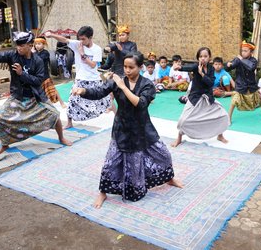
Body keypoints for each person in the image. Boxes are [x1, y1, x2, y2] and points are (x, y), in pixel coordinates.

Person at [72, 52, 183, 208]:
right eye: (125, 67)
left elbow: (141, 104)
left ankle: (169, 178)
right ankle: (103, 193)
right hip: (122, 128)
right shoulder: (117, 82)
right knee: (110, 163)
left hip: (143, 127)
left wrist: (123, 87)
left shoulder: (147, 84)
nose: (127, 70)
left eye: (131, 67)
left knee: (163, 154)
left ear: (140, 67)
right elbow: (99, 91)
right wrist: (83, 91)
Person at [0, 31, 72, 155]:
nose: (18, 48)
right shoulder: (12, 55)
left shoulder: (38, 61)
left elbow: (38, 81)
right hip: (17, 96)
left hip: (35, 96)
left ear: (30, 45)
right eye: (17, 45)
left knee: (54, 115)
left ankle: (61, 138)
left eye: (22, 45)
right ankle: (5, 145)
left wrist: (22, 74)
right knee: (0, 120)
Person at [45, 26, 110, 128]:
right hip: (80, 78)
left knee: (106, 99)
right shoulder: (77, 44)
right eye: (80, 38)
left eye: (83, 39)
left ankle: (116, 117)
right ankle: (69, 123)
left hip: (94, 79)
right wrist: (52, 35)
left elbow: (93, 65)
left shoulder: (96, 49)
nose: (81, 41)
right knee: (72, 99)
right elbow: (65, 40)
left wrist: (82, 53)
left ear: (90, 37)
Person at [171, 47, 229, 147]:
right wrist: (179, 67)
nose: (203, 58)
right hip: (195, 97)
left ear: (209, 58)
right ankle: (179, 138)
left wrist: (202, 74)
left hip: (207, 98)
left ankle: (220, 135)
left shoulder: (211, 69)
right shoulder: (195, 67)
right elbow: (187, 67)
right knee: (182, 121)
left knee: (222, 115)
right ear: (198, 58)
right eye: (201, 56)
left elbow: (211, 83)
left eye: (205, 56)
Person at [226, 41, 261, 123]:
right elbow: (230, 67)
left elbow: (251, 67)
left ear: (251, 52)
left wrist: (241, 59)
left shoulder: (254, 61)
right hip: (240, 85)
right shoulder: (238, 59)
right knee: (233, 101)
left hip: (251, 85)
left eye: (245, 51)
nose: (243, 52)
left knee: (260, 98)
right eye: (242, 50)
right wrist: (228, 65)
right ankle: (229, 118)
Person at [33, 36, 66, 108]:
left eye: (39, 44)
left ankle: (62, 103)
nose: (37, 46)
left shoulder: (45, 53)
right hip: (37, 77)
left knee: (53, 90)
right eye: (36, 44)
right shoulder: (34, 54)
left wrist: (32, 54)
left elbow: (39, 60)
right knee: (40, 93)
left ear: (43, 44)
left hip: (45, 76)